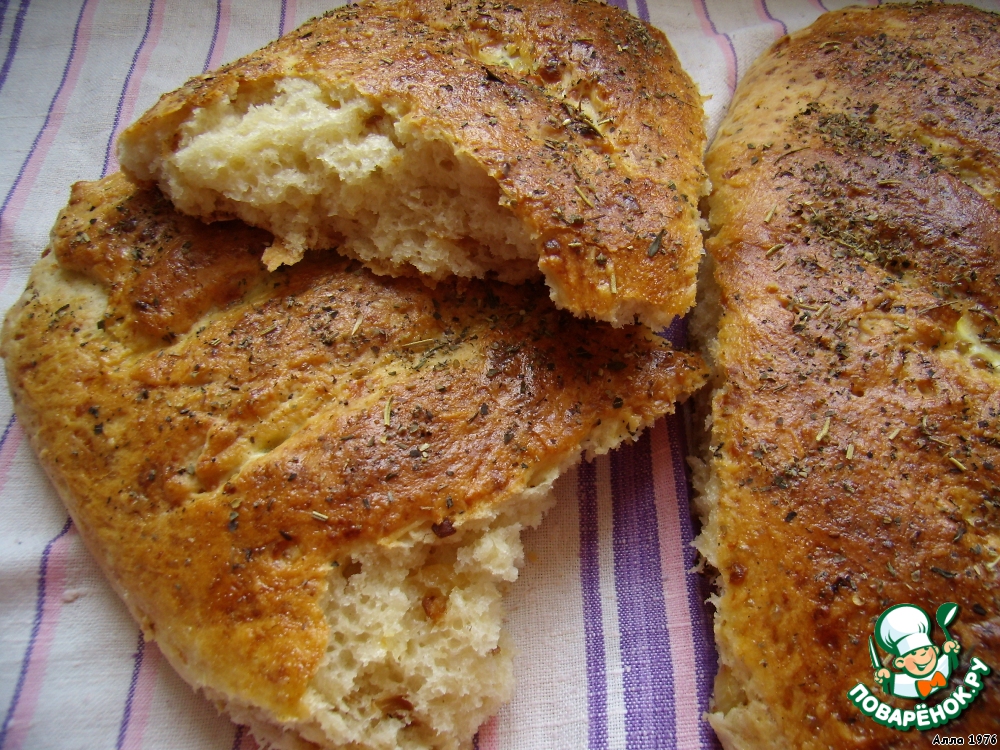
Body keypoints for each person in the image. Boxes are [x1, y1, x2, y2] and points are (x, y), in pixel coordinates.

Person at [873, 604, 959, 699]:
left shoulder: (941, 668)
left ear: (935, 650)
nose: (922, 658)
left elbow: (949, 660)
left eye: (926, 651)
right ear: (900, 662)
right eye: (914, 653)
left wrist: (950, 651)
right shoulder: (906, 684)